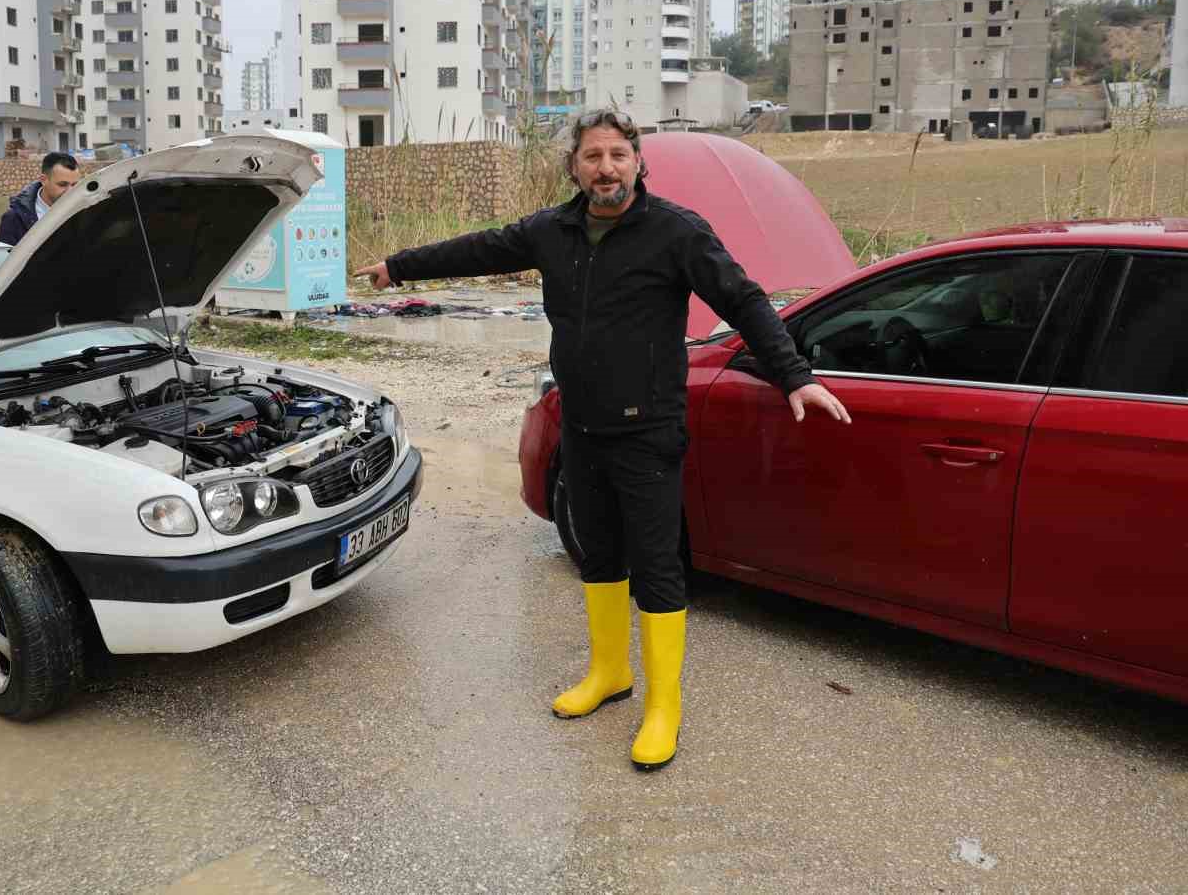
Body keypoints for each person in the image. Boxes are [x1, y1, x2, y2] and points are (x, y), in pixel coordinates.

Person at [355, 109, 850, 772]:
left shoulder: (676, 231)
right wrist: (398, 266)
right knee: (598, 553)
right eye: (593, 156)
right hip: (582, 426)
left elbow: (745, 300)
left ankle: (664, 705)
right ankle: (610, 672)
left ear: (638, 163)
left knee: (657, 566)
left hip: (648, 430)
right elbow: (478, 249)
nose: (606, 168)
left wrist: (794, 375)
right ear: (574, 167)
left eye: (618, 155)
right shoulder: (551, 230)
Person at [0, 152, 80, 245]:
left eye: (74, 185)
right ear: (43, 180)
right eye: (62, 184)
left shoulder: (85, 214)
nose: (70, 191)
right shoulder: (14, 218)